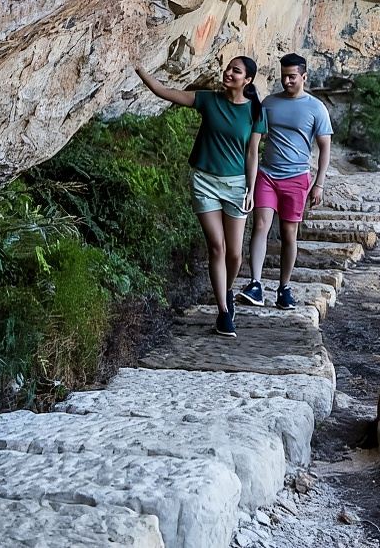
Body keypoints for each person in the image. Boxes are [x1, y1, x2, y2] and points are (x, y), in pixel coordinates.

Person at [134, 56, 266, 337]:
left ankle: (227, 291)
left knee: (235, 254)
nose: (228, 73)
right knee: (216, 247)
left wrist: (251, 189)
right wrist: (138, 68)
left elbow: (252, 154)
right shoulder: (208, 100)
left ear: (248, 80)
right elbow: (162, 91)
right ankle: (223, 312)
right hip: (204, 182)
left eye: (236, 71)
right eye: (228, 68)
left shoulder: (255, 111)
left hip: (236, 186)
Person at [237, 52, 332, 310]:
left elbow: (325, 147)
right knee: (261, 225)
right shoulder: (270, 103)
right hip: (267, 175)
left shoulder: (316, 108)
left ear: (304, 77)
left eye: (292, 77)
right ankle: (255, 284)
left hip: (297, 178)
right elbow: (254, 135)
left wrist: (319, 184)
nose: (287, 81)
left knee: (290, 233)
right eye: (284, 76)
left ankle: (284, 288)